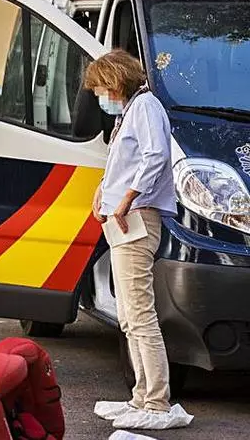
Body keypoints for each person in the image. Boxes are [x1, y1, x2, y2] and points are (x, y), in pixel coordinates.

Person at [88, 51, 192, 430]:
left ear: (115, 82)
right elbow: (125, 163)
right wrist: (103, 191)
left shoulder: (145, 107)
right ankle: (141, 396)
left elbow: (155, 156)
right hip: (124, 219)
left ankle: (156, 400)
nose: (99, 95)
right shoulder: (131, 110)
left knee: (140, 315)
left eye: (100, 88)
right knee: (130, 317)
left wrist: (127, 199)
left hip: (134, 219)